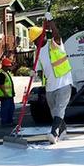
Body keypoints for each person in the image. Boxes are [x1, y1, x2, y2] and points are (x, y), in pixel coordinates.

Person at [28, 12, 73, 144]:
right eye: (33, 42)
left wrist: (51, 21)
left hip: (64, 82)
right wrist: (34, 72)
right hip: (50, 86)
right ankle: (63, 131)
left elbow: (57, 35)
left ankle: (54, 133)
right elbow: (39, 68)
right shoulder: (37, 53)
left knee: (60, 109)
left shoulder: (53, 44)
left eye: (35, 40)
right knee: (54, 112)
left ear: (41, 37)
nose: (35, 43)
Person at [0, 57, 15, 127]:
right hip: (5, 95)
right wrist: (5, 93)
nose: (9, 68)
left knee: (11, 108)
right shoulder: (1, 74)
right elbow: (1, 85)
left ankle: (9, 121)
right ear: (4, 66)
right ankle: (5, 122)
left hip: (9, 95)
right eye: (7, 66)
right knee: (5, 109)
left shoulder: (5, 73)